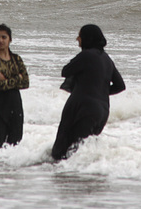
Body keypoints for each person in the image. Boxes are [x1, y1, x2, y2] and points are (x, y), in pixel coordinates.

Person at [51, 24, 125, 160]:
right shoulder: (107, 60)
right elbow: (120, 86)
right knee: (81, 149)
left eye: (80, 35)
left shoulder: (86, 55)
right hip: (102, 111)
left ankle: (61, 176)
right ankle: (85, 177)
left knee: (63, 150)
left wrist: (87, 89)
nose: (77, 39)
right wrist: (99, 91)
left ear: (87, 38)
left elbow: (65, 71)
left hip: (82, 108)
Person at [0, 24, 30, 154]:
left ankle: (9, 174)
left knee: (14, 145)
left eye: (4, 37)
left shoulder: (17, 59)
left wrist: (5, 79)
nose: (0, 40)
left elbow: (25, 82)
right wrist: (16, 78)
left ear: (10, 39)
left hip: (14, 106)